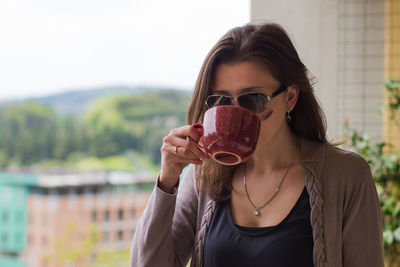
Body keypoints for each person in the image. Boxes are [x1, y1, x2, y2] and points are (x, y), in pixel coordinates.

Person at [130, 23, 384, 267]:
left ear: (291, 98)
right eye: (222, 100)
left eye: (254, 99)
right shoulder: (202, 177)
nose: (236, 113)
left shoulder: (346, 175)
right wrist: (166, 182)